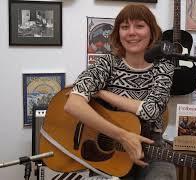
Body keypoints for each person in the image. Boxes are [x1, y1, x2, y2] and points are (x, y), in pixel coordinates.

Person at [64, 4, 177, 180]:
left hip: (151, 145)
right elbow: (73, 104)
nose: (131, 32)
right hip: (108, 142)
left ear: (152, 31)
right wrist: (122, 136)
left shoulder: (164, 66)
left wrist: (102, 93)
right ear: (118, 33)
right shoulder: (107, 63)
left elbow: (151, 110)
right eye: (125, 27)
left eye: (139, 26)